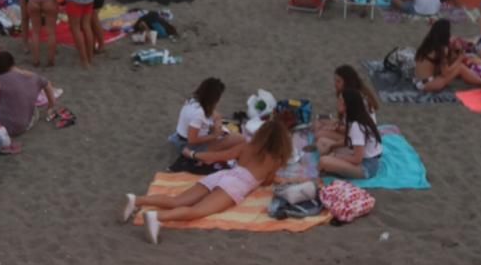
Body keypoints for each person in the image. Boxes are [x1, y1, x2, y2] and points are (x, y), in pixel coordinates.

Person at [121, 120, 293, 245]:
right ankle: (158, 217)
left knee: (177, 200)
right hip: (235, 185)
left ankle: (137, 200)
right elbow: (266, 182)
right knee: (197, 211)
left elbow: (217, 157)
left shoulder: (246, 147)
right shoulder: (275, 159)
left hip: (223, 175)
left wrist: (194, 155)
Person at [0, 51, 57, 151]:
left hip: (3, 125)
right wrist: (50, 105)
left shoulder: (0, 79)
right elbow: (47, 84)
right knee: (33, 109)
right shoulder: (33, 77)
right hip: (25, 125)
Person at [317, 89, 383, 179]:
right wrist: (332, 146)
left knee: (323, 161)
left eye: (340, 100)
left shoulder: (356, 126)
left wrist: (337, 156)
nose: (337, 102)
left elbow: (357, 159)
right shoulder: (355, 117)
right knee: (322, 142)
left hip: (366, 167)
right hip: (360, 156)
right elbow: (350, 141)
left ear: (347, 105)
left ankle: (335, 170)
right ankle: (334, 167)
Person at [168, 77, 244, 154]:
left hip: (182, 136)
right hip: (188, 143)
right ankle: (191, 153)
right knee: (238, 139)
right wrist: (215, 135)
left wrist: (217, 124)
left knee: (218, 119)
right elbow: (192, 139)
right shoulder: (199, 113)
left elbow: (216, 115)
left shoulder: (193, 100)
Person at [413, 19, 481, 92]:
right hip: (429, 84)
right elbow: (445, 72)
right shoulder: (441, 49)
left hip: (418, 80)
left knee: (453, 65)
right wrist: (460, 58)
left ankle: (480, 81)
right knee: (460, 68)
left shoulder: (428, 43)